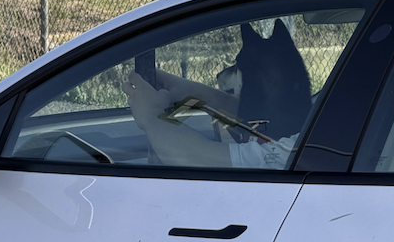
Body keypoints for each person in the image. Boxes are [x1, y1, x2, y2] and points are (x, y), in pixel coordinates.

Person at [122, 69, 298, 169]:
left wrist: (151, 118)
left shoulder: (306, 152)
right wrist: (200, 95)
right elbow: (283, 124)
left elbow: (196, 158)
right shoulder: (319, 128)